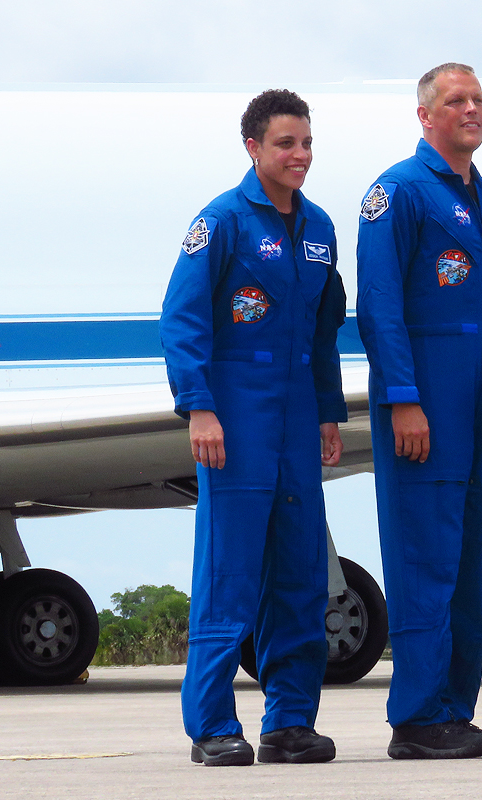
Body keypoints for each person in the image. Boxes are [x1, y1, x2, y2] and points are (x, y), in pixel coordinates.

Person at [160, 89, 346, 767]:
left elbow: (325, 330)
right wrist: (200, 406)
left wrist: (328, 412)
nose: (299, 156)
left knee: (300, 571)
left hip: (298, 411)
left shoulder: (321, 228)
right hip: (236, 410)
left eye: (306, 144)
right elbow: (182, 319)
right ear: (253, 149)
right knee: (230, 572)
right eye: (285, 144)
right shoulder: (223, 222)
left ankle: (290, 721)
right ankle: (211, 724)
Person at [356, 62, 482, 760]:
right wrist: (403, 399)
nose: (471, 110)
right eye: (455, 100)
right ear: (425, 115)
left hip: (481, 407)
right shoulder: (397, 194)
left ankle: (454, 711)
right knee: (425, 561)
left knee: (468, 563)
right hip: (424, 406)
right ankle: (418, 717)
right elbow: (380, 307)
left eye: (478, 100)